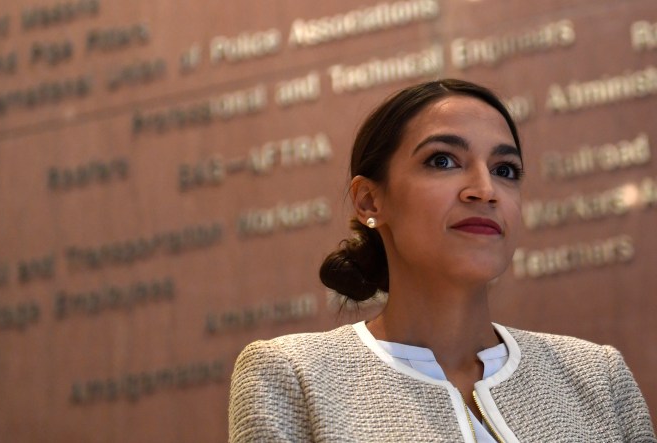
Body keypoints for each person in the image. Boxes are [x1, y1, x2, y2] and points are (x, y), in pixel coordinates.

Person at [227, 79, 656, 442]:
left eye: (505, 169)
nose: (484, 189)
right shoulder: (294, 376)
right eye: (443, 160)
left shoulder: (598, 378)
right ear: (369, 199)